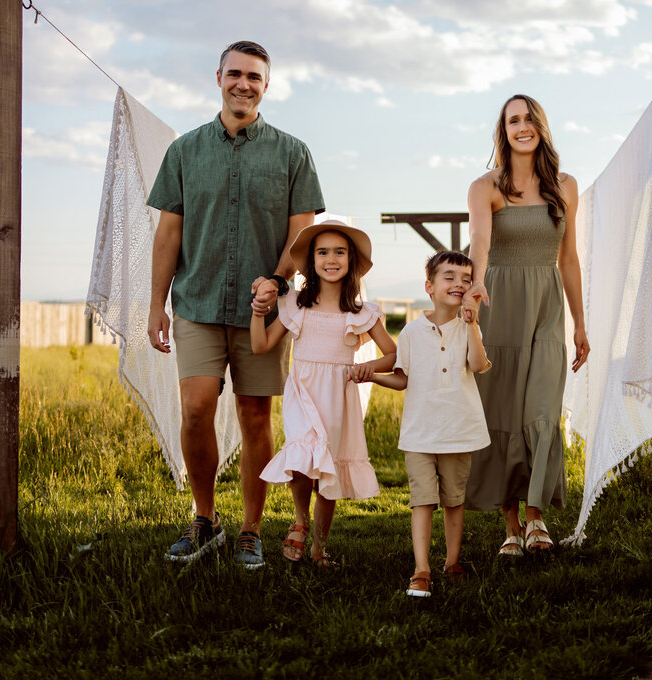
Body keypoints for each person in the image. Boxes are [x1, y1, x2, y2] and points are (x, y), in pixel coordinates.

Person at [146, 40, 325, 569]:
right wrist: (157, 304)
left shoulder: (293, 153)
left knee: (254, 415)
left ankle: (251, 528)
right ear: (218, 77)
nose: (243, 83)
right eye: (235, 74)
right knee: (197, 408)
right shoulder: (184, 151)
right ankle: (205, 519)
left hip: (262, 313)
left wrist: (277, 278)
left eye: (254, 76)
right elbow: (168, 234)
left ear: (266, 86)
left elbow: (302, 232)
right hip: (196, 302)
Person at [462, 93, 590, 556]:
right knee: (501, 412)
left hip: (548, 309)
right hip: (500, 304)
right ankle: (512, 524)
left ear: (542, 126)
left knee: (540, 410)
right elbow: (478, 240)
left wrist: (580, 324)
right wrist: (474, 288)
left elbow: (569, 259)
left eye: (530, 118)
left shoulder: (565, 185)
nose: (522, 126)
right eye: (513, 119)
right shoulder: (486, 187)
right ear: (504, 129)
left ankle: (536, 515)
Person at [253, 222, 395, 568]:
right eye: (322, 252)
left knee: (327, 471)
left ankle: (318, 548)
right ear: (312, 262)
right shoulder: (295, 307)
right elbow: (260, 346)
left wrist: (369, 368)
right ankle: (300, 521)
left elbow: (392, 354)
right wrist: (258, 314)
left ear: (351, 260)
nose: (331, 259)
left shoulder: (362, 312)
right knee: (303, 458)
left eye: (339, 252)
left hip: (339, 396)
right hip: (303, 393)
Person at [366, 250, 492, 598]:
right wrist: (371, 377)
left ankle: (452, 562)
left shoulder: (468, 327)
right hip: (419, 434)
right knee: (422, 500)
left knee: (454, 500)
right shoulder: (410, 332)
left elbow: (479, 365)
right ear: (430, 286)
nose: (459, 284)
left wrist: (472, 323)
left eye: (466, 280)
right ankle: (421, 569)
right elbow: (402, 378)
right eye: (449, 277)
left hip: (458, 431)